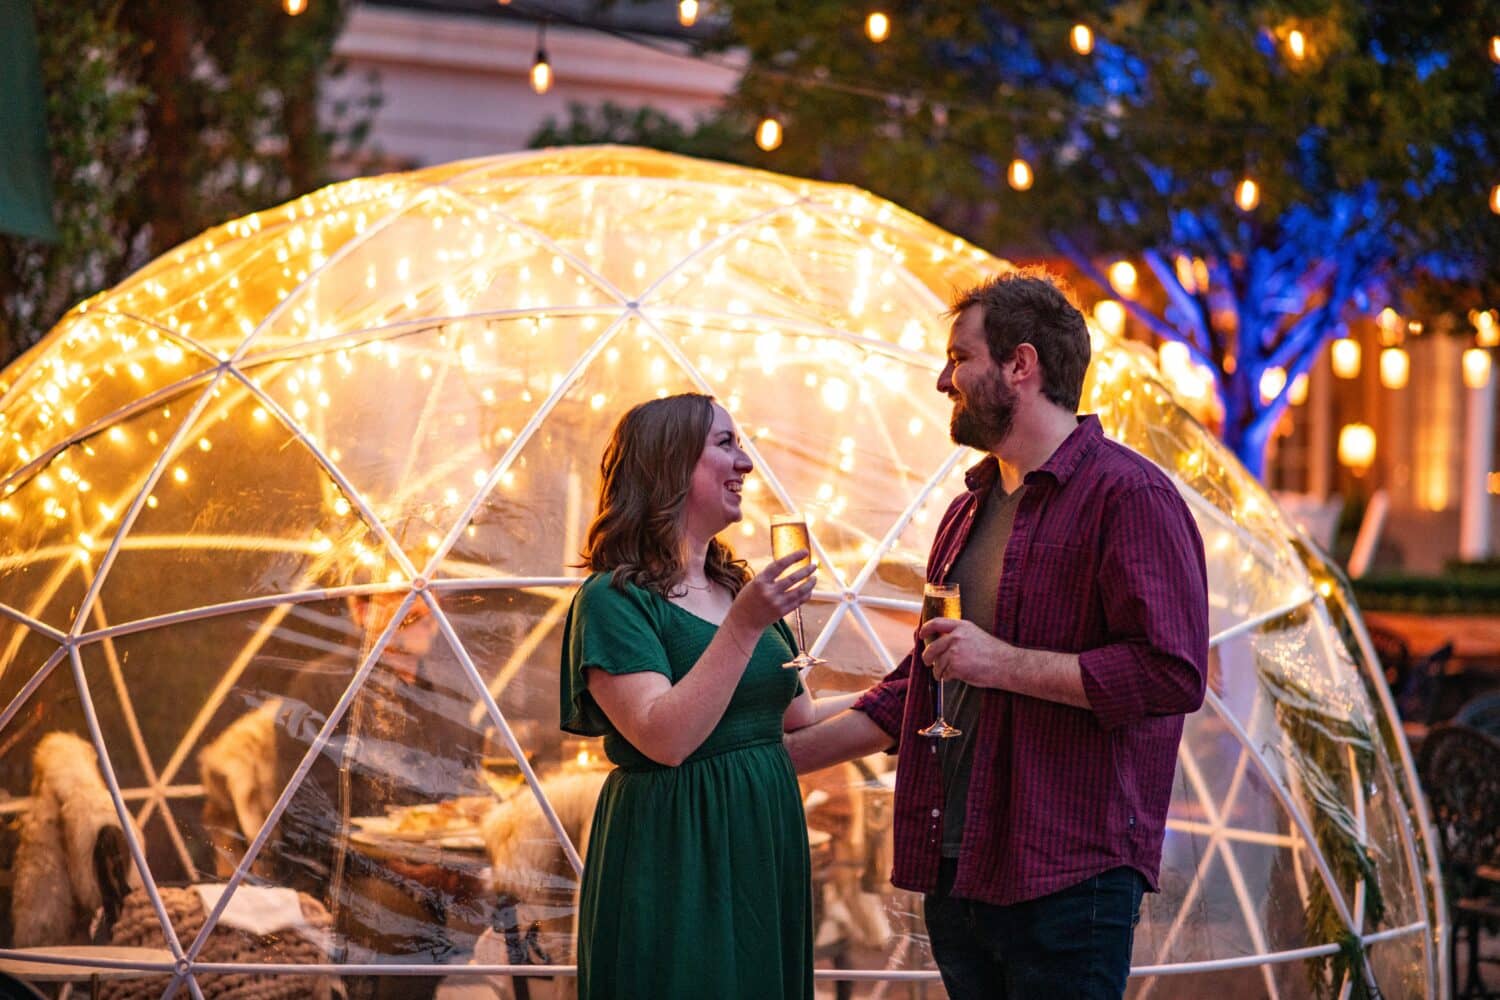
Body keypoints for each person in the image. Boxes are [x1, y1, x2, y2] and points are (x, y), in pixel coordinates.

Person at [786, 269, 1209, 1000]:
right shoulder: (967, 510)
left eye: (959, 357)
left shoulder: (1128, 497)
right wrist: (767, 756)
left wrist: (1002, 664)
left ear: (1021, 364)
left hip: (1068, 877)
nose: (943, 380)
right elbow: (922, 685)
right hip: (960, 866)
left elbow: (1170, 673)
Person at [560, 392, 857, 1000]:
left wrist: (906, 690)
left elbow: (795, 720)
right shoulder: (614, 600)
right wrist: (744, 626)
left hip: (762, 840)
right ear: (669, 467)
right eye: (725, 445)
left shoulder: (733, 584)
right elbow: (664, 737)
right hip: (676, 851)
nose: (746, 463)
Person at [268, 588, 487, 1000]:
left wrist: (456, 867)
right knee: (403, 920)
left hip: (438, 875)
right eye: (407, 601)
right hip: (345, 876)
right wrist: (393, 865)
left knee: (518, 905)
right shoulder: (324, 686)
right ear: (363, 611)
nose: (427, 615)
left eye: (429, 605)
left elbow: (460, 795)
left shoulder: (441, 698)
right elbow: (305, 809)